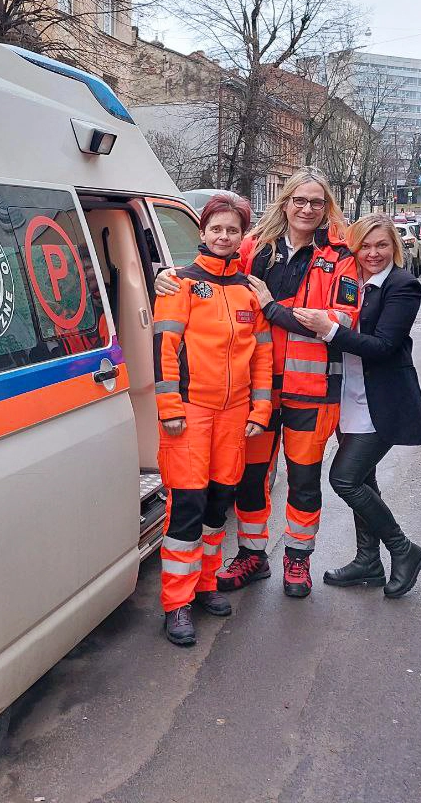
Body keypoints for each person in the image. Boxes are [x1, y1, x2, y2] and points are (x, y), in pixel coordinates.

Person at [156, 171, 359, 598]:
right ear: (285, 203)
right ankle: (252, 555)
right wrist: (167, 275)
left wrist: (274, 308)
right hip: (254, 395)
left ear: (327, 208)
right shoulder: (254, 249)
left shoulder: (340, 257)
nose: (307, 209)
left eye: (316, 202)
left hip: (312, 390)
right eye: (299, 200)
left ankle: (298, 561)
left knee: (303, 480)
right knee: (249, 480)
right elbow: (215, 268)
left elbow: (338, 322)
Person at [154, 193, 274, 646]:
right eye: (216, 229)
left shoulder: (250, 290)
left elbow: (263, 357)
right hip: (190, 414)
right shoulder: (180, 284)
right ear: (202, 233)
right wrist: (169, 409)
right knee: (185, 508)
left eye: (233, 230)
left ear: (242, 238)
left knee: (216, 505)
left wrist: (260, 411)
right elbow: (164, 350)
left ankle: (204, 585)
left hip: (235, 416)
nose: (224, 236)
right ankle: (177, 602)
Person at [292, 212, 421, 599]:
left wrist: (330, 330)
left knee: (345, 478)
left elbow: (384, 347)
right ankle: (367, 560)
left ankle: (404, 551)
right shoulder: (352, 282)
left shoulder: (402, 286)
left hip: (382, 401)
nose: (373, 253)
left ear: (394, 247)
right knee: (365, 480)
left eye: (381, 245)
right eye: (365, 246)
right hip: (349, 397)